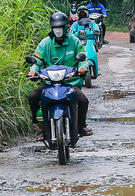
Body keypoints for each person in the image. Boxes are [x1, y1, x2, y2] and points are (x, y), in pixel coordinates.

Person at [27, 11, 92, 139]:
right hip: (49, 83)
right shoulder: (45, 43)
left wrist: (82, 68)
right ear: (52, 28)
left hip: (70, 83)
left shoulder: (74, 41)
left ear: (66, 27)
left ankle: (81, 125)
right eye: (56, 28)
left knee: (83, 100)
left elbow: (83, 58)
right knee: (33, 97)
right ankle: (41, 127)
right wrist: (33, 70)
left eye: (61, 27)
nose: (58, 30)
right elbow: (37, 59)